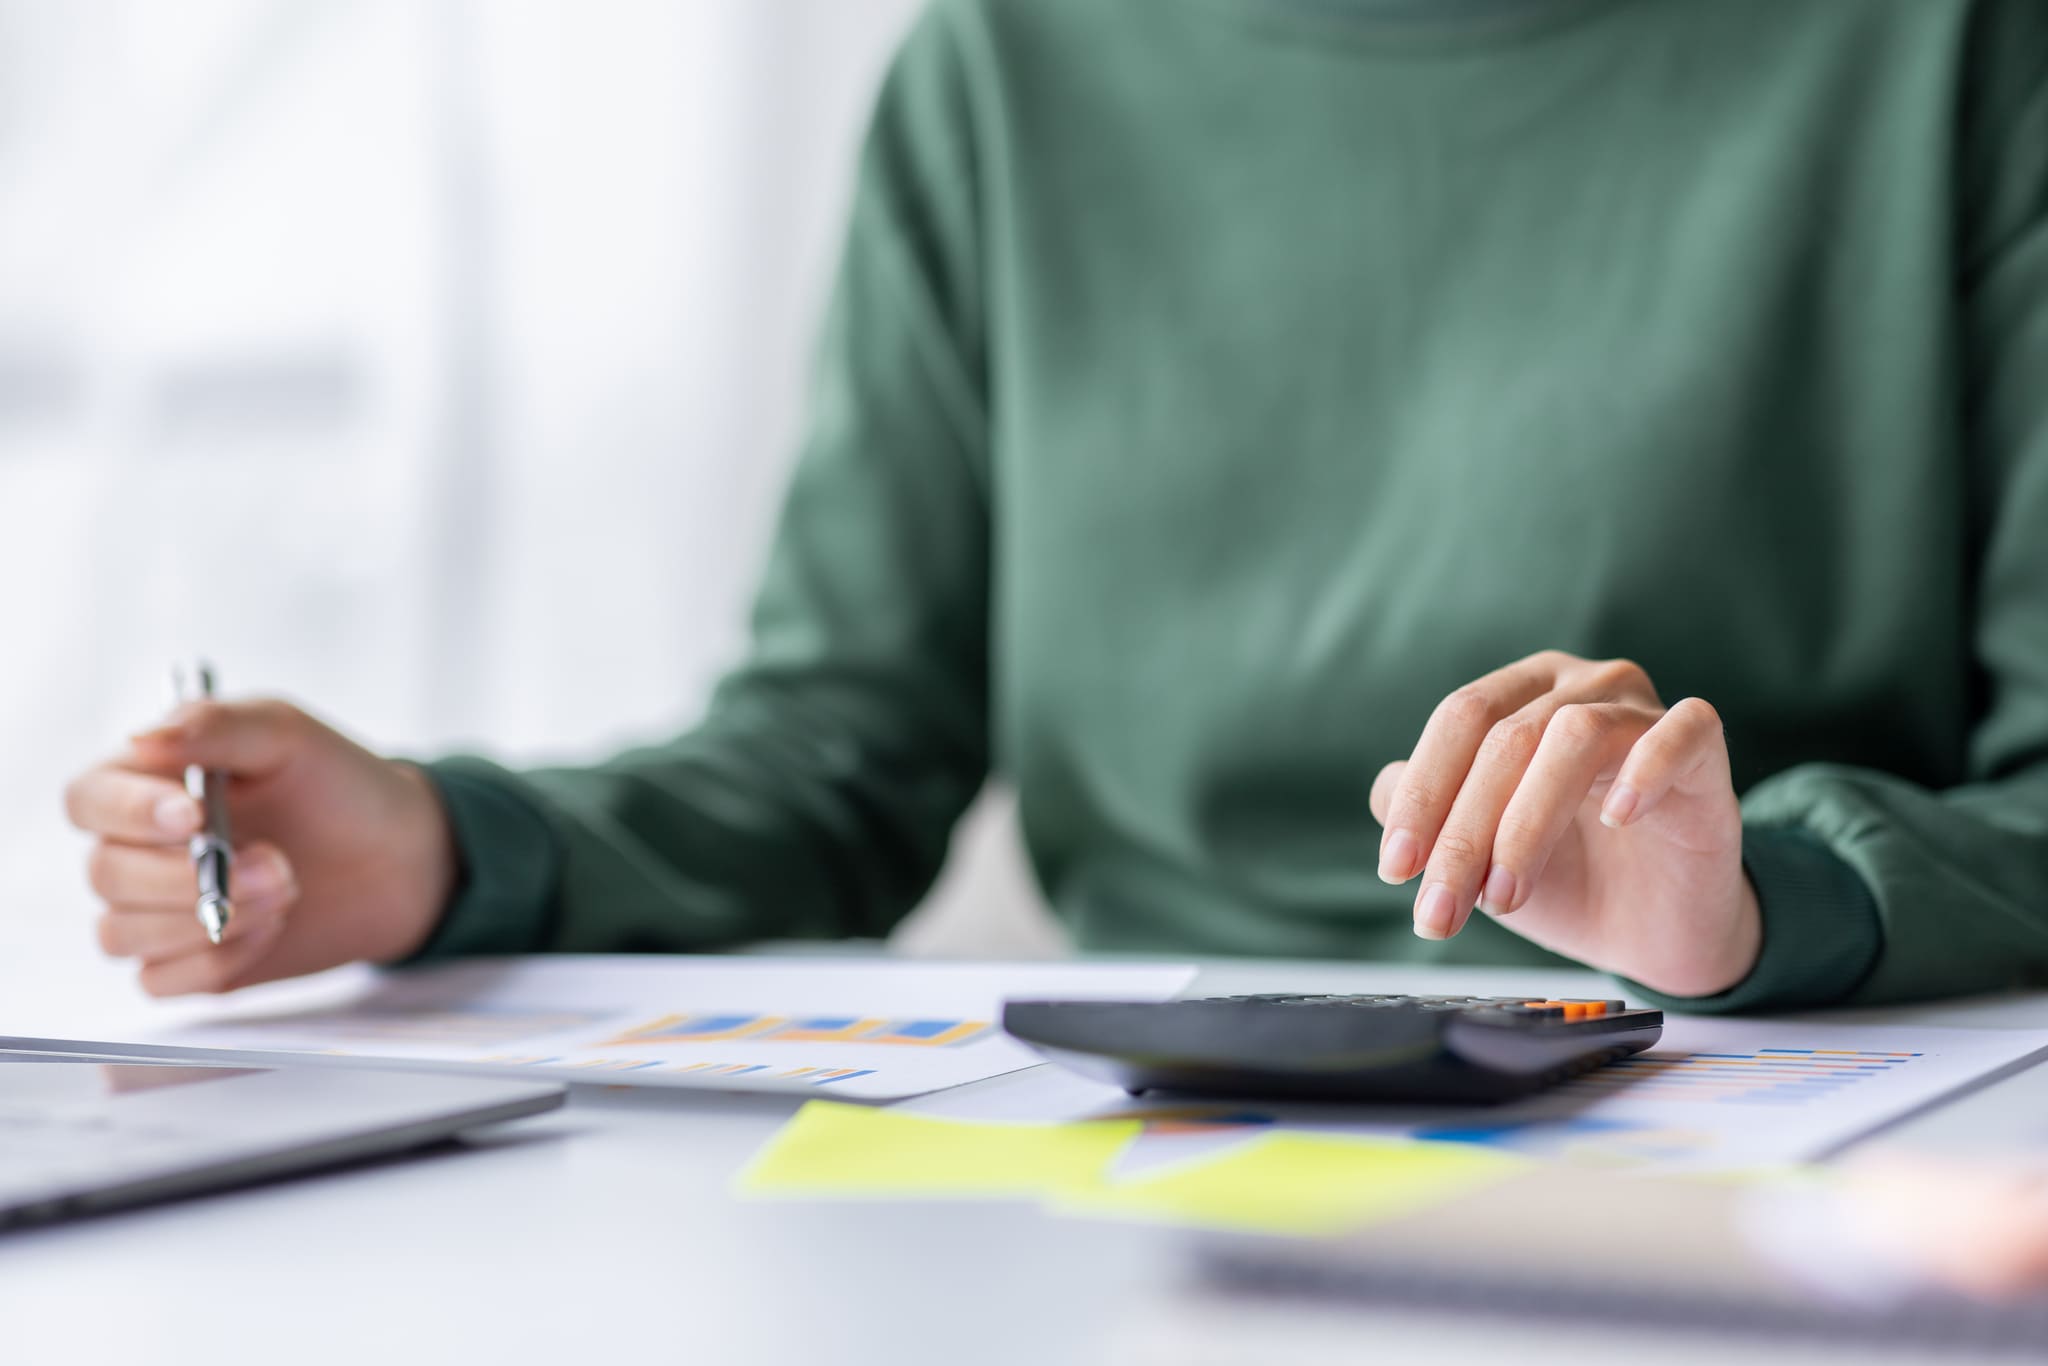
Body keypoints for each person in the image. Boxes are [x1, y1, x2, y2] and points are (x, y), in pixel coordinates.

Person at [61, 0, 2048, 1011]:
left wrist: (1754, 899)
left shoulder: (1962, 54)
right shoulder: (1009, 64)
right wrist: (441, 849)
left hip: (1778, 1111)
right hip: (1147, 1153)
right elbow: (839, 754)